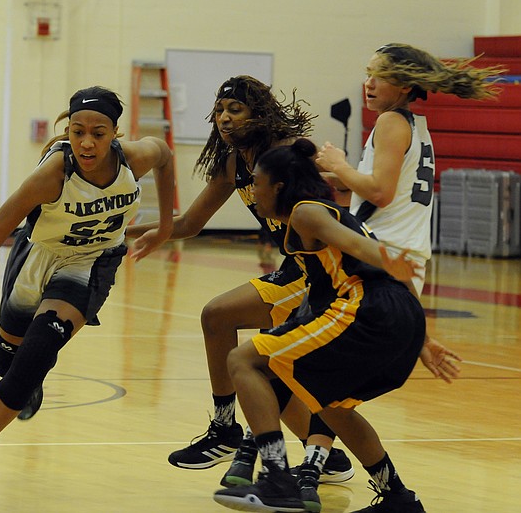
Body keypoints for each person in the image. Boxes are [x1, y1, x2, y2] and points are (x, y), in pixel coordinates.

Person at [0, 85, 175, 510]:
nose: (87, 142)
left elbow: (166, 155)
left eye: (98, 132)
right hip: (36, 257)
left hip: (89, 265)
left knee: (32, 360)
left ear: (116, 132)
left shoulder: (136, 158)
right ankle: (23, 379)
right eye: (78, 131)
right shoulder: (51, 175)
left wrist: (165, 225)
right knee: (6, 362)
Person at [284, 42, 502, 510]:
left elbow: (380, 192)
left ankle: (284, 459)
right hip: (395, 259)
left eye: (377, 76)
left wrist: (342, 168)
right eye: (366, 73)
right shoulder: (412, 127)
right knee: (328, 375)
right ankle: (320, 464)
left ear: (403, 85)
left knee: (289, 356)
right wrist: (341, 174)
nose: (368, 83)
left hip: (380, 260)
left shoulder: (390, 122)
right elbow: (378, 190)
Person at [128, 75, 357, 480]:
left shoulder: (285, 154)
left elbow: (332, 209)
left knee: (246, 347)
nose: (224, 118)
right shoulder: (234, 163)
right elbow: (192, 222)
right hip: (292, 271)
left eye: (235, 109)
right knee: (231, 332)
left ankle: (261, 441)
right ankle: (252, 436)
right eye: (219, 111)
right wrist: (124, 229)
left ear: (259, 114)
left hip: (320, 274)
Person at [212, 138, 428, 513]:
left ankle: (277, 479)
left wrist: (395, 258)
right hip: (398, 312)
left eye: (257, 184)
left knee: (244, 361)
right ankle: (397, 498)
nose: (253, 192)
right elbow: (374, 258)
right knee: (331, 405)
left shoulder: (305, 213)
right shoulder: (319, 211)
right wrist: (425, 337)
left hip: (367, 308)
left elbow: (360, 248)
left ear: (278, 187)